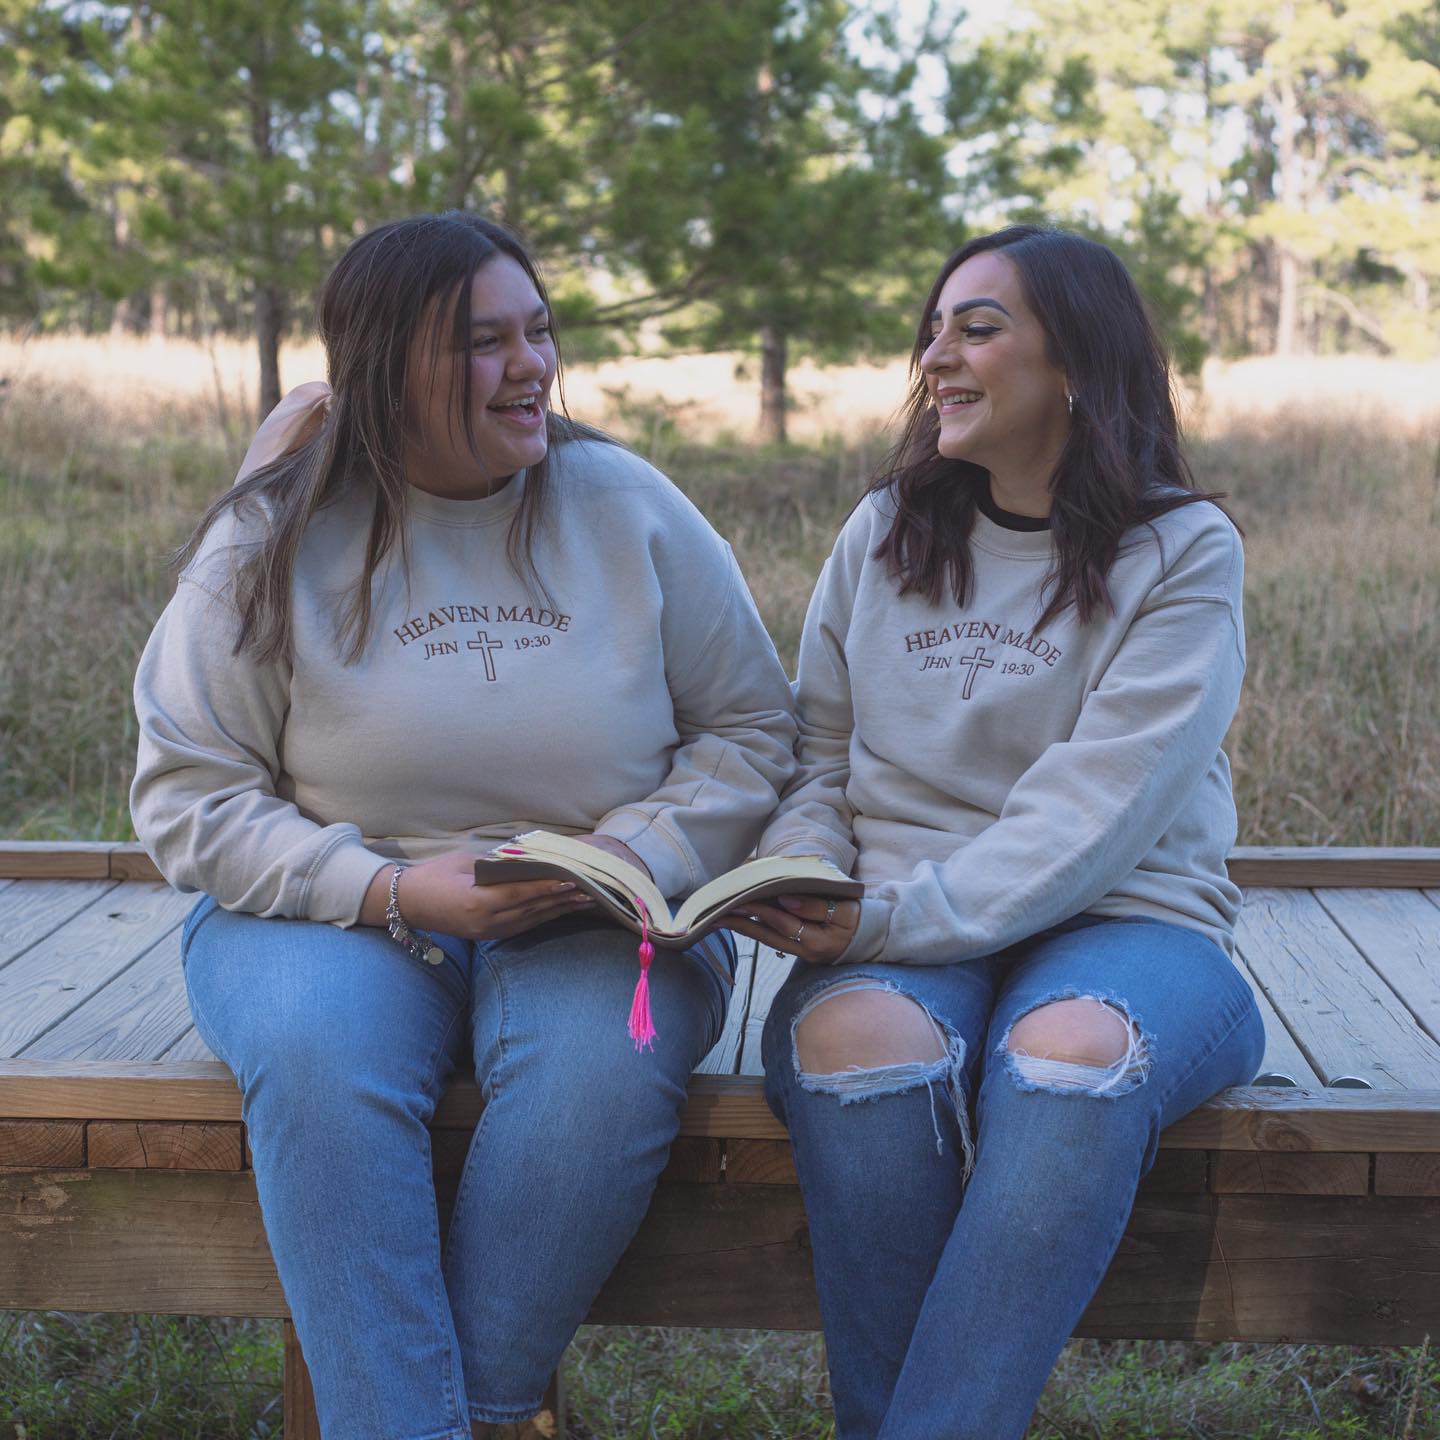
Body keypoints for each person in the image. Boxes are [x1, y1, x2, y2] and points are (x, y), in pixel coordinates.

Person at [130, 211, 797, 1440]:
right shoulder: (270, 534)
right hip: (329, 913)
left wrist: (633, 854)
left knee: (598, 1072)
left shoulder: (627, 505)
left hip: (601, 917)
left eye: (538, 331)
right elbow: (188, 795)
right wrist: (390, 890)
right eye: (483, 343)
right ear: (385, 369)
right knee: (319, 1059)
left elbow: (753, 727)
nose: (531, 366)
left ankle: (470, 1414)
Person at [725, 225, 1265, 1440]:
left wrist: (889, 918)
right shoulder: (883, 532)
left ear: (1076, 361)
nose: (937, 359)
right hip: (896, 918)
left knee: (1071, 1055)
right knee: (858, 1039)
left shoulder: (1183, 552)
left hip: (1128, 918)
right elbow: (820, 758)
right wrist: (804, 870)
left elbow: (1095, 814)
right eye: (934, 331)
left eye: (978, 329)